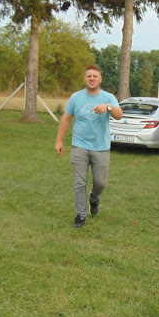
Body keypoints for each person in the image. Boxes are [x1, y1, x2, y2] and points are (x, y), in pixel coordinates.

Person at [55, 64, 123, 228]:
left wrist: (107, 107)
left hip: (101, 147)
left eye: (95, 76)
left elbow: (119, 115)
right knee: (79, 183)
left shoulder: (108, 97)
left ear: (100, 79)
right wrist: (59, 140)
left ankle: (94, 198)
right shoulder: (76, 97)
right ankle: (80, 215)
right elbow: (65, 118)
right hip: (79, 146)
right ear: (85, 79)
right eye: (88, 76)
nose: (91, 78)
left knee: (100, 183)